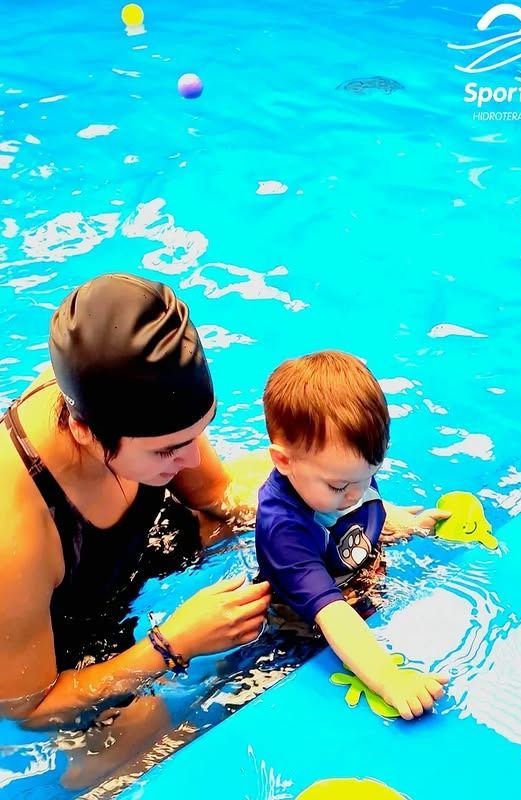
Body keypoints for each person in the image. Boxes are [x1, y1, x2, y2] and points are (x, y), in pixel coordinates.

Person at [0, 273, 271, 786]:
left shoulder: (136, 396)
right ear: (83, 431)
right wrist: (172, 645)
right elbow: (28, 711)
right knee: (134, 741)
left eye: (199, 433)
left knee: (296, 484)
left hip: (128, 554)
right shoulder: (14, 535)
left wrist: (328, 511)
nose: (193, 458)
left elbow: (218, 496)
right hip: (61, 639)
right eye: (169, 450)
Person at [255, 350, 450, 721]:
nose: (356, 494)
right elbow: (332, 615)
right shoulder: (284, 529)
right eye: (340, 485)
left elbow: (361, 501)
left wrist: (400, 524)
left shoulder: (343, 472)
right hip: (306, 626)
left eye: (369, 476)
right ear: (284, 461)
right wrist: (389, 680)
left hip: (356, 576)